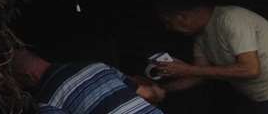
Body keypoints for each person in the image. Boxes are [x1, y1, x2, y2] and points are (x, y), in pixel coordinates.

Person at [151, 0, 268, 114]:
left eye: (168, 22)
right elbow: (200, 74)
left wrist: (187, 69)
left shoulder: (231, 19)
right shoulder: (201, 36)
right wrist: (158, 90)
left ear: (182, 17)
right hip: (261, 99)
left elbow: (251, 69)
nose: (169, 29)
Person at [12, 49, 169, 114]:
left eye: (18, 81)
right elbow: (146, 93)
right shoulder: (96, 66)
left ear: (28, 75)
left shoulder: (47, 101)